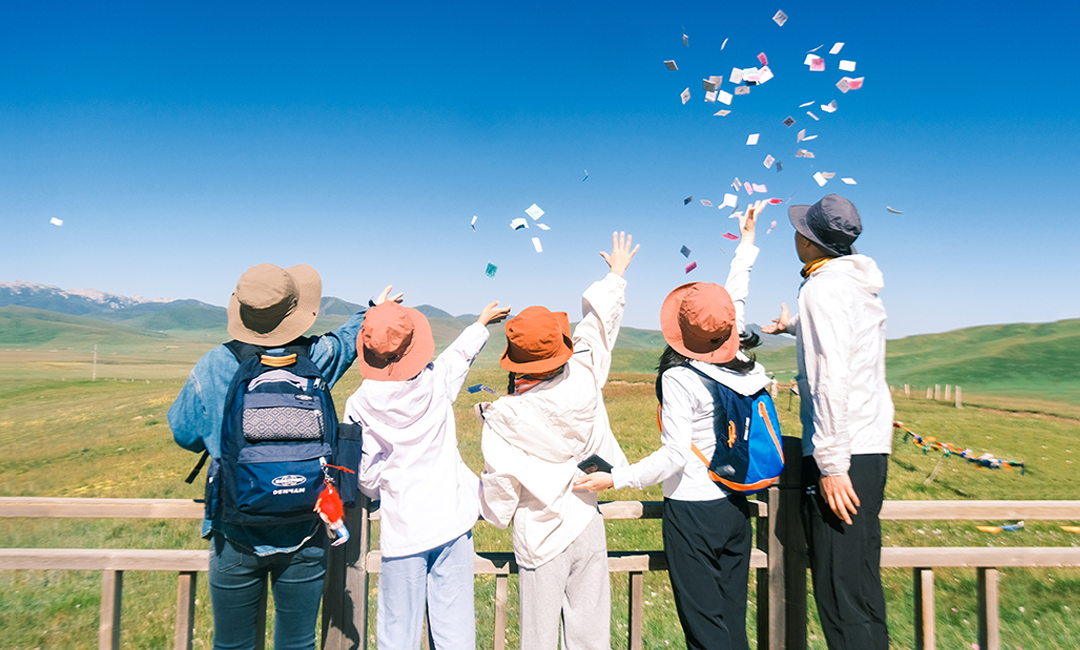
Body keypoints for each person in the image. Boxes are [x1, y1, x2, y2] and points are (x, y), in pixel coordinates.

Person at [168, 263, 396, 650]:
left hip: (235, 531)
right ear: (294, 312)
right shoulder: (316, 357)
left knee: (232, 644)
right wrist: (374, 308)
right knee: (297, 642)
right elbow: (344, 340)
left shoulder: (215, 364)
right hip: (304, 526)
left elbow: (184, 431)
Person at [575, 202, 770, 650]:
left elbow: (674, 456)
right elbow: (732, 304)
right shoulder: (739, 361)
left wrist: (617, 477)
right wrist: (746, 246)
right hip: (736, 503)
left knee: (705, 631)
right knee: (732, 620)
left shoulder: (682, 377)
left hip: (693, 510)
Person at [477, 232, 638, 650]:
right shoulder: (585, 375)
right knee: (590, 634)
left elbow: (500, 499)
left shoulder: (505, 416)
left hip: (542, 532)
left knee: (539, 637)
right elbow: (599, 328)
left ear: (515, 360)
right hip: (587, 520)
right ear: (561, 346)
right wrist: (616, 274)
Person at [761, 193, 893, 650]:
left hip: (844, 450)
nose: (797, 236)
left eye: (803, 231)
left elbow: (830, 377)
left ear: (812, 244)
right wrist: (794, 326)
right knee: (859, 582)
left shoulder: (821, 289)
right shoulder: (853, 284)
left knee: (840, 594)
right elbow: (844, 338)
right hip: (871, 445)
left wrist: (832, 465)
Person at [344, 297, 511, 650]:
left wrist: (384, 488)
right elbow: (459, 355)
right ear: (414, 346)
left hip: (402, 528)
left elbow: (363, 475)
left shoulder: (359, 404)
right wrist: (482, 321)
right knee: (455, 633)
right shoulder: (435, 383)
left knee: (397, 633)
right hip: (451, 522)